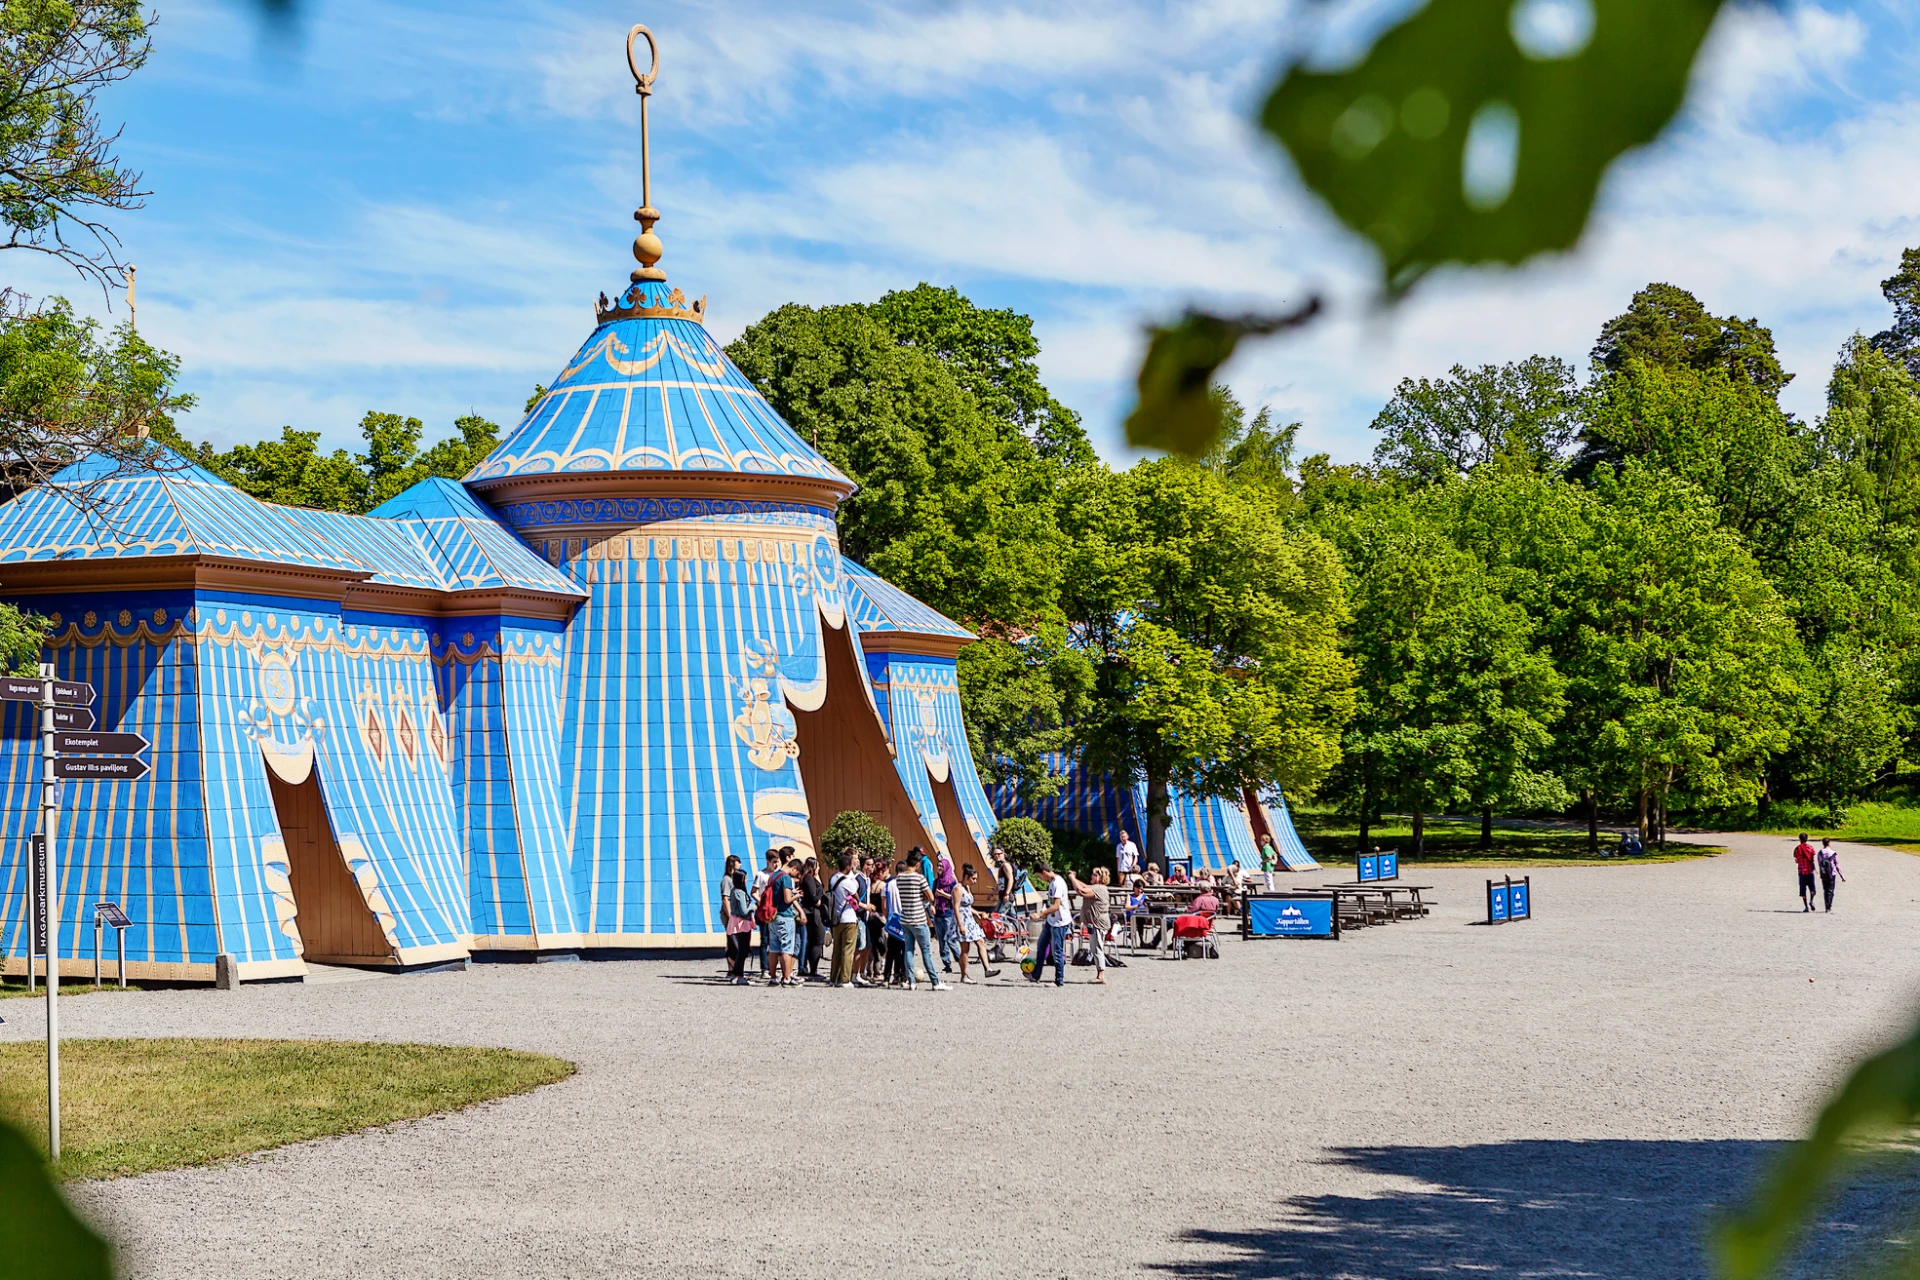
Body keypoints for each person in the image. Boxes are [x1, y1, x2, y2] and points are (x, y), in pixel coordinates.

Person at [893, 855, 948, 990]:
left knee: (909, 950)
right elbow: (930, 896)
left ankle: (911, 982)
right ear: (917, 864)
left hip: (905, 918)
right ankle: (935, 982)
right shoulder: (919, 878)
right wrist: (922, 897)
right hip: (918, 918)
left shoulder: (899, 878)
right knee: (926, 951)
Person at [1026, 859, 1071, 987]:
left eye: (1039, 876)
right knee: (1041, 945)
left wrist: (1040, 914)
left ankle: (1059, 980)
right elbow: (1051, 904)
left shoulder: (1058, 883)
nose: (1040, 879)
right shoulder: (1051, 883)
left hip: (1059, 922)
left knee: (1057, 951)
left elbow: (1056, 906)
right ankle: (1036, 975)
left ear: (1044, 872)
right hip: (1051, 921)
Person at [952, 863, 999, 983]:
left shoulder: (967, 888)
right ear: (966, 877)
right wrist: (960, 925)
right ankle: (964, 975)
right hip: (962, 920)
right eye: (973, 878)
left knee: (981, 941)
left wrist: (976, 912)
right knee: (965, 948)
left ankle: (987, 969)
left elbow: (966, 906)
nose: (975, 881)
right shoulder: (958, 888)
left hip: (970, 919)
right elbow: (956, 907)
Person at [1067, 867, 1113, 985]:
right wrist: (1075, 879)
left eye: (1094, 875)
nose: (1091, 876)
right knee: (1094, 947)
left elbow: (1081, 891)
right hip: (1093, 923)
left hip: (1098, 923)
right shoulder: (1096, 887)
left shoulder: (1100, 889)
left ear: (1100, 877)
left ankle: (1101, 975)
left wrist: (1072, 878)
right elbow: (1084, 886)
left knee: (1097, 947)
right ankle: (1099, 973)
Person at [765, 851, 802, 987]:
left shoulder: (773, 875)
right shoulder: (785, 877)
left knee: (774, 947)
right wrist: (796, 896)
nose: (795, 877)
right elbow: (787, 899)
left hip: (772, 916)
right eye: (796, 874)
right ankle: (787, 978)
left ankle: (773, 977)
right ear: (794, 868)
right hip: (785, 916)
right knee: (787, 948)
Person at [828, 851, 864, 986]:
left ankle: (834, 978)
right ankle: (845, 979)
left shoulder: (833, 879)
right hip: (848, 917)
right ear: (848, 866)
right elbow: (857, 897)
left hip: (836, 918)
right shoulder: (848, 882)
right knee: (848, 949)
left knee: (837, 949)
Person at [723, 867, 755, 984]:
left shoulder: (734, 891)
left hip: (736, 922)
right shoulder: (740, 893)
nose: (747, 880)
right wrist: (754, 907)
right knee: (743, 950)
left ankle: (736, 974)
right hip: (742, 924)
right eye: (745, 878)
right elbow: (744, 911)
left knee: (740, 950)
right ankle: (740, 975)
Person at [799, 856, 828, 979]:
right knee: (817, 941)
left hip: (813, 912)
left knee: (813, 941)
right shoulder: (808, 879)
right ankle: (812, 969)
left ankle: (810, 967)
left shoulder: (812, 878)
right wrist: (820, 902)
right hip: (813, 912)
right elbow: (814, 897)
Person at [933, 850, 959, 973]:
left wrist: (944, 894)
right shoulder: (935, 882)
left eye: (941, 866)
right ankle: (947, 965)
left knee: (950, 939)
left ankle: (961, 960)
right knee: (941, 941)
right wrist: (932, 906)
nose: (939, 868)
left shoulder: (952, 883)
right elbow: (933, 896)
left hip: (948, 913)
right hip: (938, 913)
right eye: (938, 866)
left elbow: (956, 898)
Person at [1817, 838, 1845, 913]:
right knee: (1831, 890)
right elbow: (1837, 865)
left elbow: (1819, 863)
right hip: (1832, 874)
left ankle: (1826, 905)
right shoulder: (1833, 853)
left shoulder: (1820, 853)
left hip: (1823, 874)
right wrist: (1842, 876)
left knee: (1825, 890)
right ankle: (1829, 906)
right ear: (1829, 843)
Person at [1793, 833, 1818, 913]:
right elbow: (1813, 859)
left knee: (1803, 891)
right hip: (1810, 872)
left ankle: (1806, 907)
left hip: (1801, 872)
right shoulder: (1811, 848)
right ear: (1807, 839)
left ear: (1799, 839)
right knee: (1812, 889)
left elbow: (1796, 860)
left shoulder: (1797, 849)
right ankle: (1811, 900)